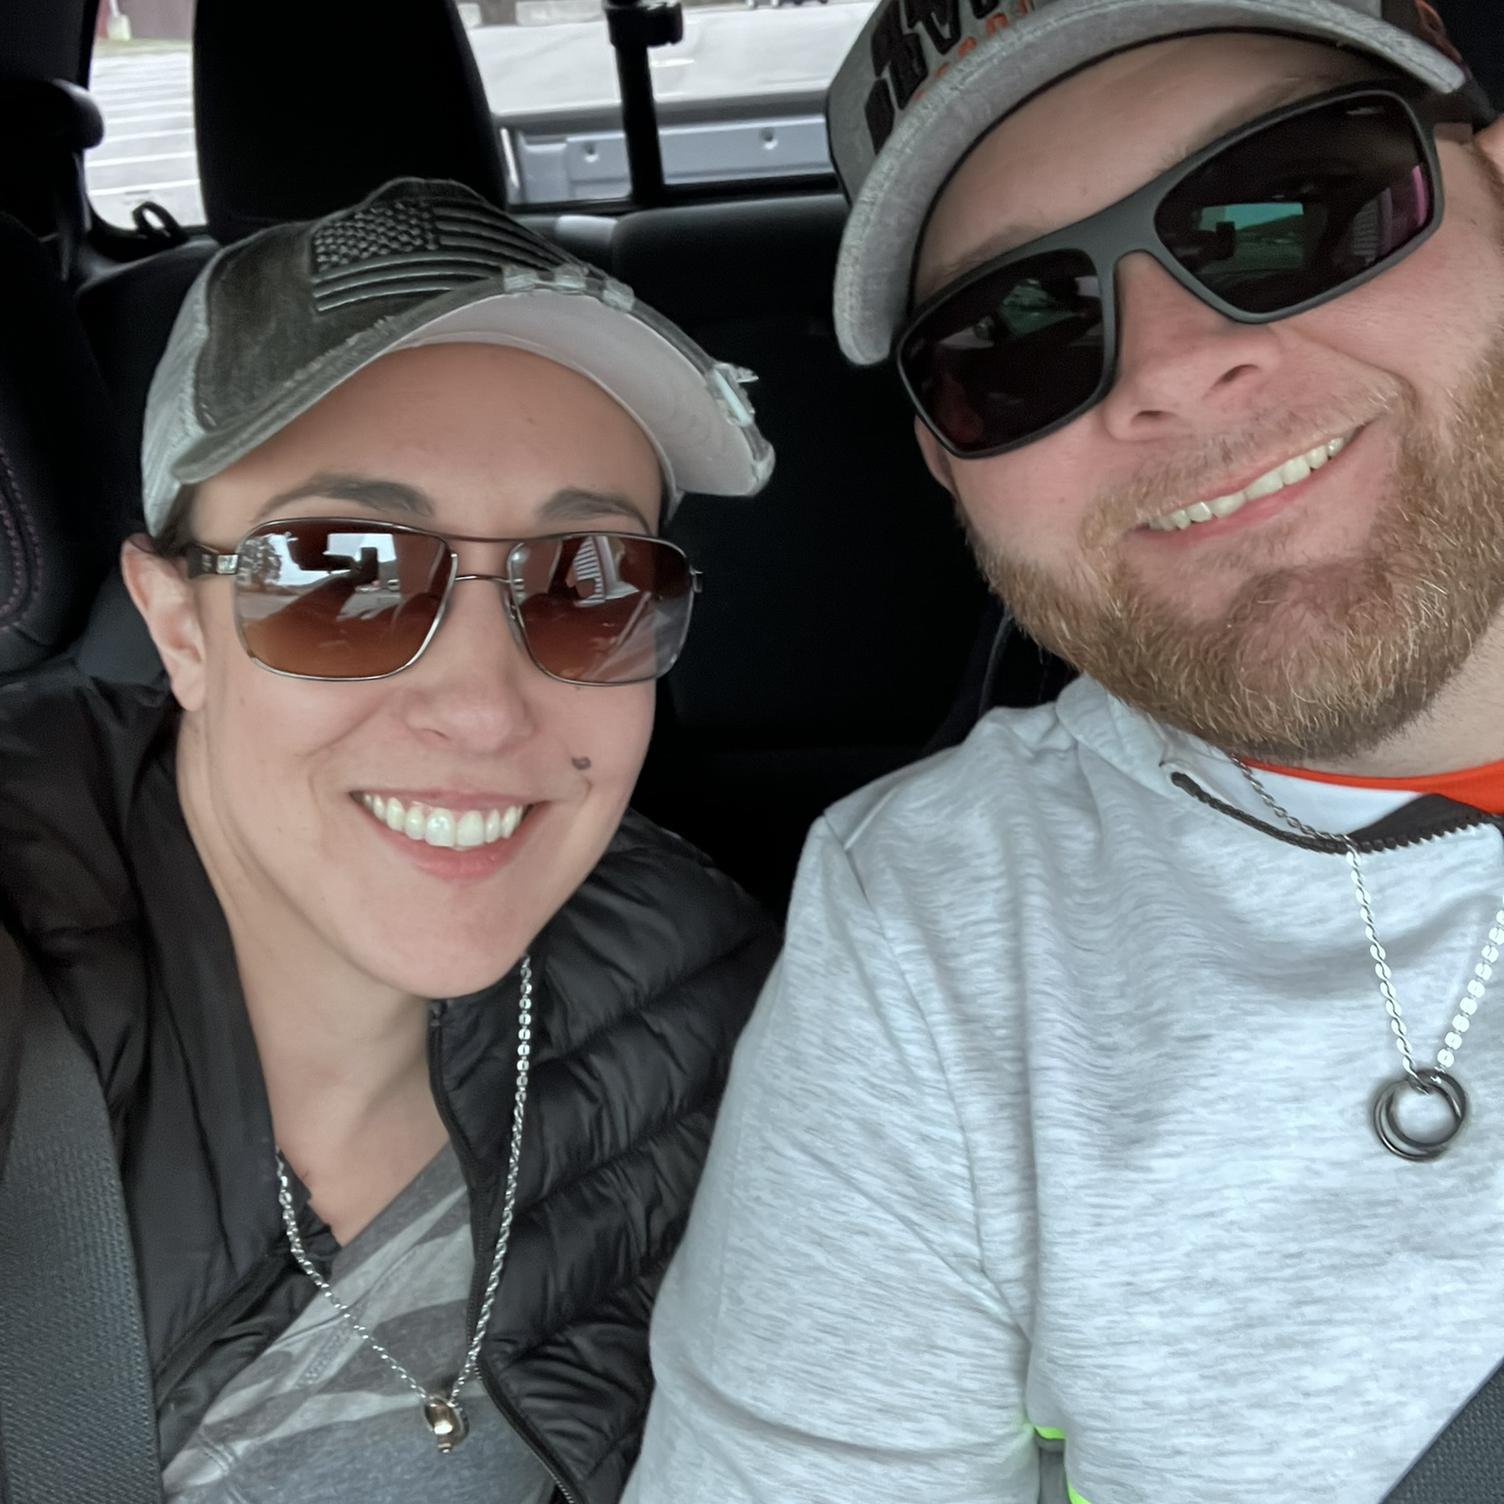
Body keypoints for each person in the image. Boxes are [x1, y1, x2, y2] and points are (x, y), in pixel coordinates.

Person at [623, 4, 1504, 1501]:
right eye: (1015, 338)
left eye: (1289, 214)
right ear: (941, 459)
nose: (1172, 366)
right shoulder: (939, 930)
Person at [0, 176, 780, 1503]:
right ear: (179, 627)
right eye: (342, 575)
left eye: (590, 582)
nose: (483, 708)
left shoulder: (717, 991)